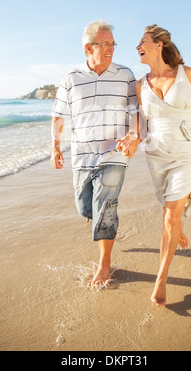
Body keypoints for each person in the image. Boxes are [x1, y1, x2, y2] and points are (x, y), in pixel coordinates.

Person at [117, 24, 191, 306]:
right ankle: (177, 226)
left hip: (186, 152)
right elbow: (139, 123)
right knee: (169, 210)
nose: (137, 46)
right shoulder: (140, 84)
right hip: (157, 154)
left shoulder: (187, 75)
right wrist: (133, 138)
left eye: (142, 41)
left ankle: (161, 277)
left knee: (170, 216)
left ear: (159, 45)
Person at [51, 20, 140, 289]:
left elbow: (136, 111)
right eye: (105, 44)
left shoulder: (125, 74)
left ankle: (104, 263)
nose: (111, 48)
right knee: (85, 207)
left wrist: (134, 136)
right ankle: (103, 225)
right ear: (88, 47)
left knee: (106, 204)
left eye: (113, 43)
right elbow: (59, 115)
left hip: (115, 152)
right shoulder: (71, 79)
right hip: (81, 154)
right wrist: (56, 146)